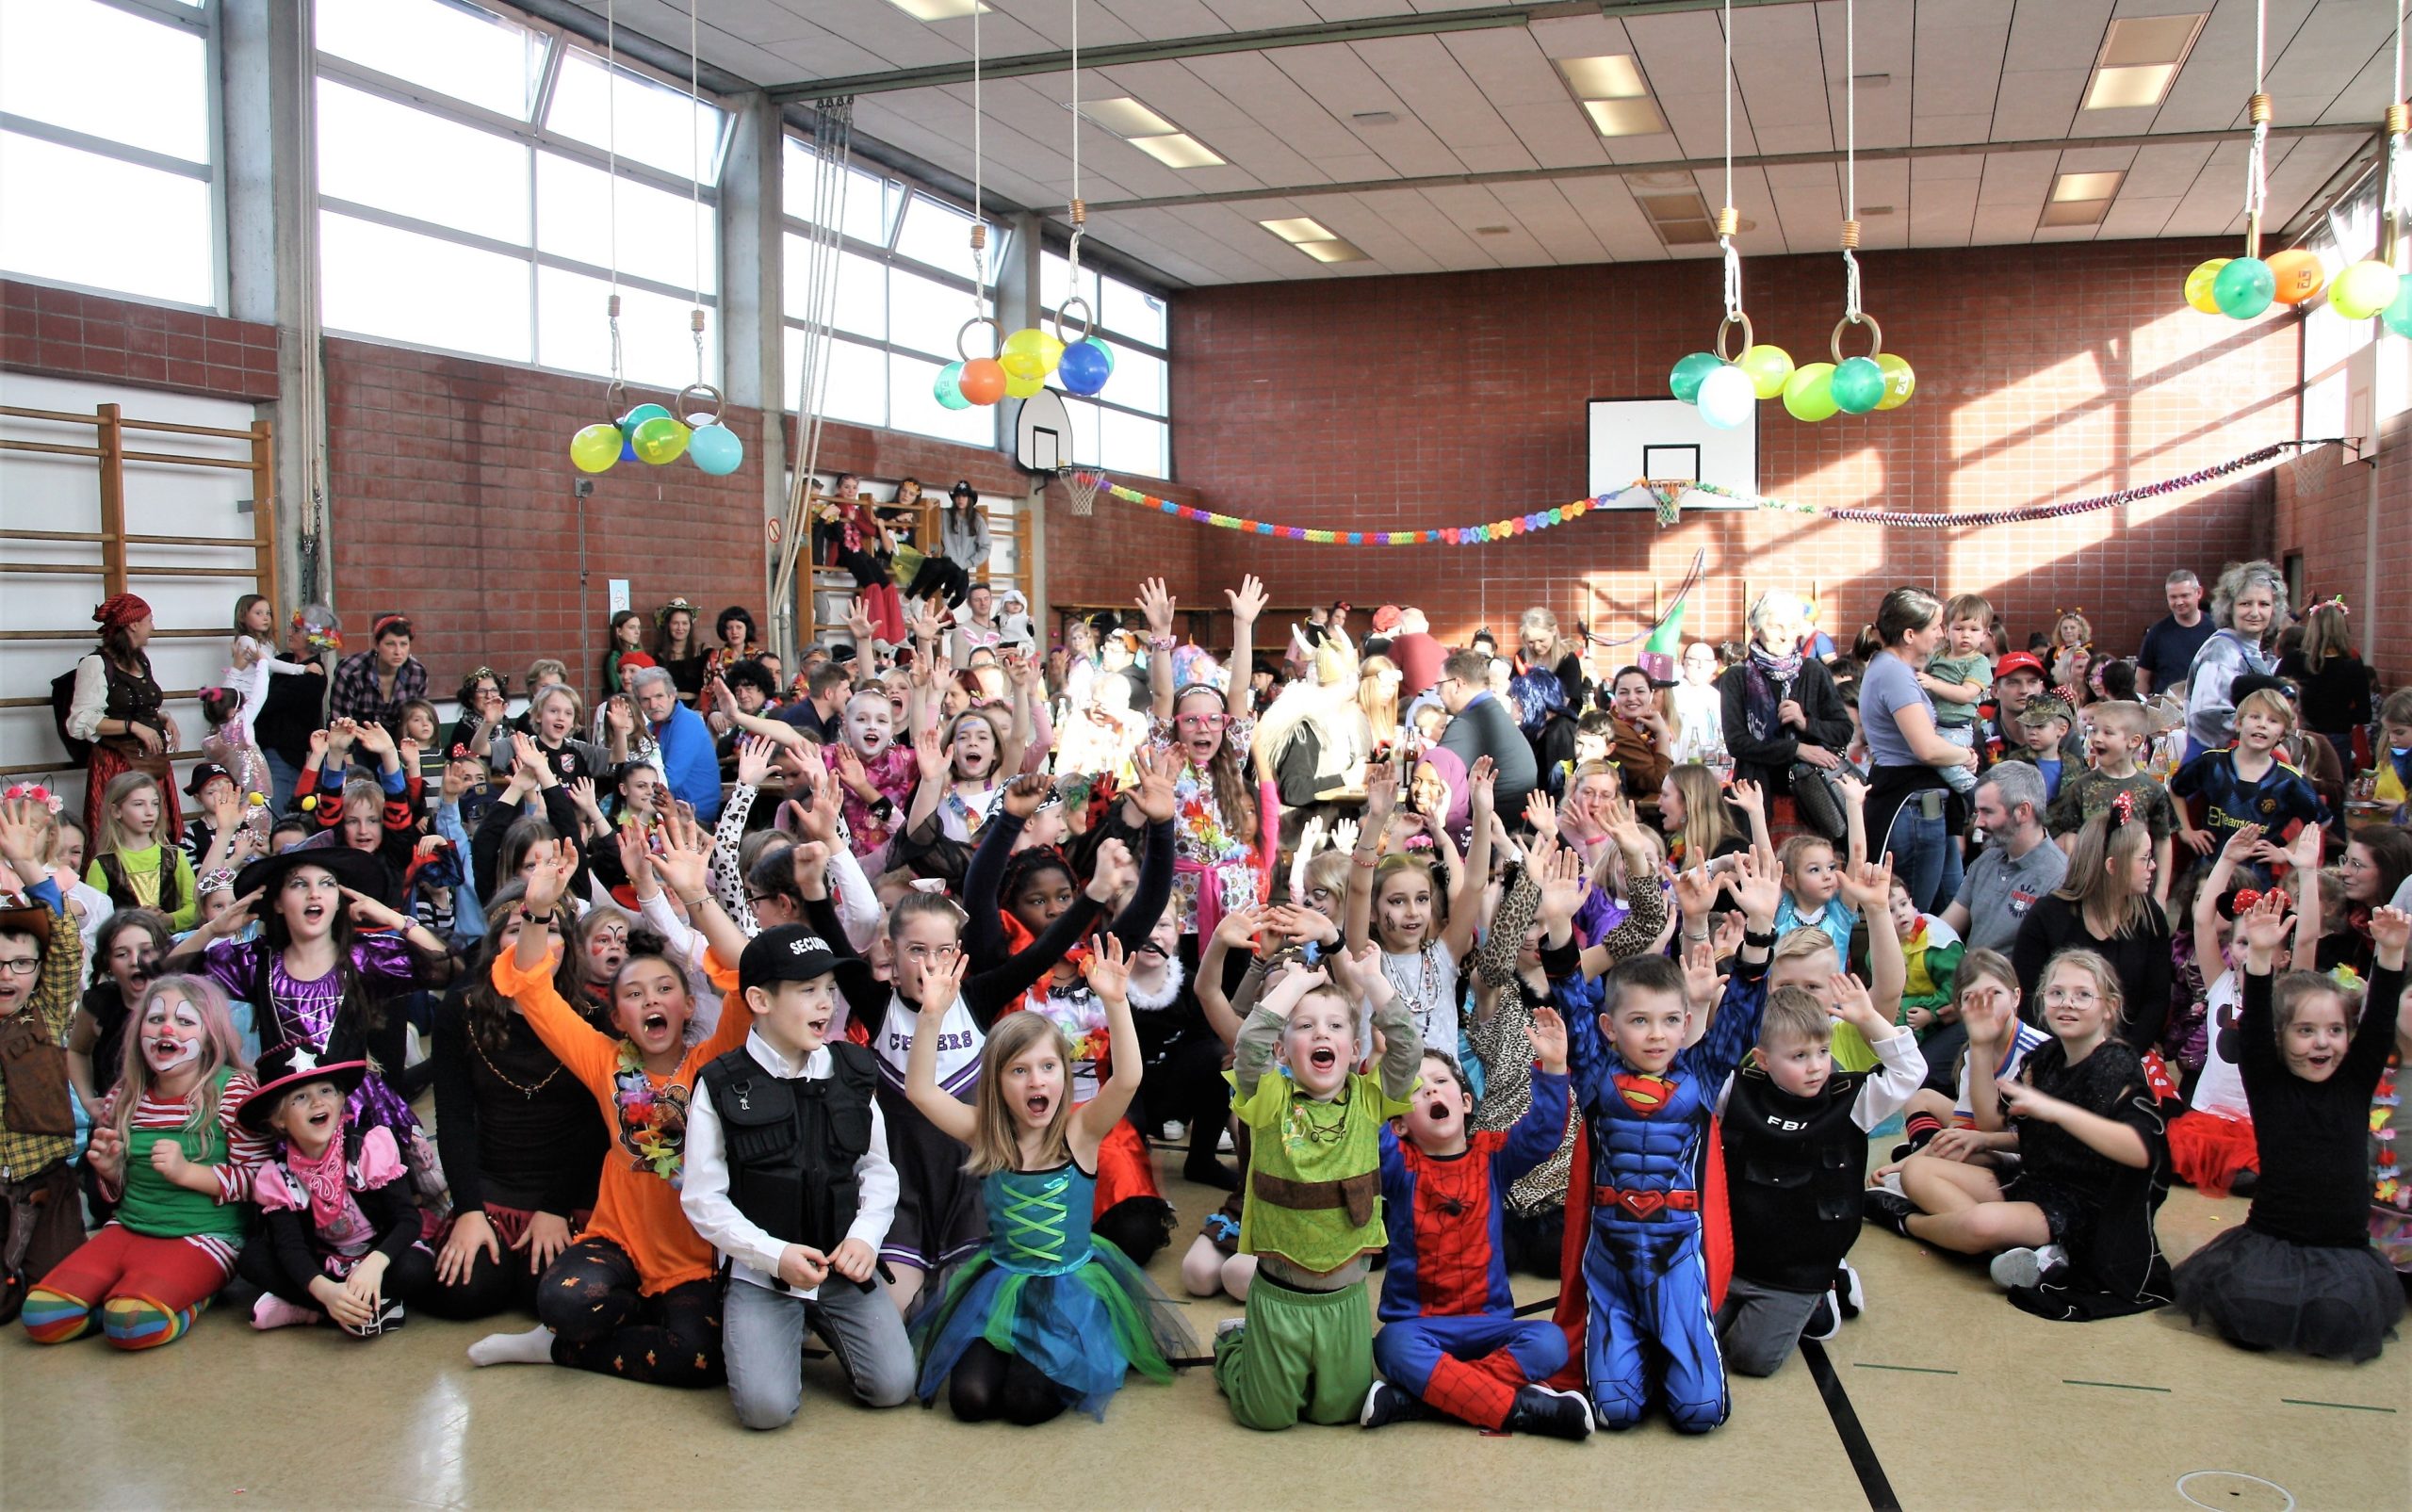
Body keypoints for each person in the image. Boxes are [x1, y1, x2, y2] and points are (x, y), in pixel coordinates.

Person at [464, 826, 751, 1385]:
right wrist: (539, 912)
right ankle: (577, 1327)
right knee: (563, 1303)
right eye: (634, 994)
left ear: (690, 1003)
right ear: (617, 1017)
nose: (650, 1000)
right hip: (614, 1243)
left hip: (695, 1258)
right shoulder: (603, 1060)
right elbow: (531, 989)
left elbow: (746, 978)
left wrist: (696, 897)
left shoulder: (715, 1062)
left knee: (701, 1361)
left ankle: (565, 1351)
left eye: (664, 989)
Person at [905, 938, 1191, 1423]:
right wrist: (931, 1015)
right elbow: (920, 1091)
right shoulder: (986, 1134)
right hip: (1001, 1286)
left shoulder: (1080, 1132)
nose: (1036, 1082)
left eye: (1047, 1067)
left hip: (1069, 1289)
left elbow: (1127, 1079)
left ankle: (1055, 1360)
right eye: (1019, 1071)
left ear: (1065, 1072)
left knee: (1025, 1404)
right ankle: (1016, 1353)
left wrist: (1116, 1003)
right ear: (995, 1082)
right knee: (970, 1401)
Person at [1550, 849, 1778, 1434]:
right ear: (1611, 1027)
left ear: (1686, 1020)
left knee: (1701, 1413)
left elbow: (1744, 1014)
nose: (1657, 1034)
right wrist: (1556, 926)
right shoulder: (1597, 1072)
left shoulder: (1700, 1075)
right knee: (1617, 1410)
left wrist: (1759, 930)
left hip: (1679, 1251)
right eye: (1639, 1021)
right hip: (1611, 1255)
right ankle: (1641, 1350)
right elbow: (1573, 999)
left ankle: (1672, 1348)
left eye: (1671, 1020)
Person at [680, 924, 917, 1429]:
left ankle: (818, 1324)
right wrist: (774, 1256)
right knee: (766, 1412)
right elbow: (703, 1199)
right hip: (762, 1274)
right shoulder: (721, 1083)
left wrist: (865, 1238)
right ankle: (772, 1331)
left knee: (893, 1387)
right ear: (760, 1000)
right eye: (807, 991)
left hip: (841, 1265)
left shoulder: (853, 1072)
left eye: (829, 990)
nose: (825, 1004)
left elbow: (877, 1170)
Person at [1866, 948, 2176, 1322]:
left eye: (2082, 995)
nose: (2068, 1004)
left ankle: (1905, 1219)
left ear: (2109, 1007)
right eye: (2057, 993)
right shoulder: (2044, 1059)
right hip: (2036, 1183)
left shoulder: (2119, 1064)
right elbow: (1998, 1126)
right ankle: (2013, 1249)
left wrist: (2056, 1110)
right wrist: (1979, 1049)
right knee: (1917, 1172)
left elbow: (2141, 1152)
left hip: (2086, 1208)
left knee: (1981, 1223)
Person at [2173, 896, 2406, 1358]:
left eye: (2335, 1031)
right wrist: (2259, 956)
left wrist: (2391, 955)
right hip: (2273, 1241)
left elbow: (2379, 1023)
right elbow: (2255, 1025)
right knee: (2250, 1315)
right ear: (2282, 1038)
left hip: (2343, 1248)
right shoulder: (2268, 1083)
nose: (2322, 1043)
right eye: (2305, 1031)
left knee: (2339, 1321)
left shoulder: (2354, 1083)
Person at [1214, 951, 1422, 1431]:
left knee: (1339, 1413)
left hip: (1345, 1299)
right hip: (1279, 1296)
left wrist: (1373, 982)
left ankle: (1283, 1359)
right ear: (1284, 1053)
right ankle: (1235, 1347)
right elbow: (1249, 1046)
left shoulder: (1371, 1101)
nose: (1322, 1034)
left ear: (1355, 1050)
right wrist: (1293, 984)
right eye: (1305, 1027)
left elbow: (1409, 1046)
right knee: (1265, 1417)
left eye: (1334, 1027)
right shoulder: (1268, 1101)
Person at [1359, 1030, 1595, 1439]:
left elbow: (1541, 1133)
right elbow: (1369, 1133)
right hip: (1419, 1326)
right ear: (1398, 1124)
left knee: (1550, 1342)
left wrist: (1554, 1067)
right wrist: (1378, 1064)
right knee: (1389, 1346)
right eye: (1417, 1089)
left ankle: (1423, 1397)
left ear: (1466, 1102)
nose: (1432, 1090)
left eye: (1441, 1082)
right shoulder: (1398, 1166)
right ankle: (1519, 1409)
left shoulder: (1493, 1156)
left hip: (1490, 1327)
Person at [23, 974, 267, 1349]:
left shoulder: (233, 1089)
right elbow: (116, 1190)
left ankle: (188, 1296)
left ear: (209, 1035)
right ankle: (129, 1293)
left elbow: (260, 1181)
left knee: (131, 1325)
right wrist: (109, 1171)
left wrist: (189, 1173)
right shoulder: (124, 1094)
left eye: (185, 1021)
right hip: (128, 1228)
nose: (167, 1028)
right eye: (156, 1019)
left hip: (204, 1235)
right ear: (140, 1030)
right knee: (42, 1317)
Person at [1716, 974, 1925, 1376]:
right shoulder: (1737, 1090)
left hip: (1799, 1270)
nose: (1816, 1067)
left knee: (1749, 1358)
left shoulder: (1852, 1099)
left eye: (1823, 1051)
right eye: (1799, 1056)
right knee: (1700, 1339)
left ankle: (1820, 1299)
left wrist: (1869, 1020)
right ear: (1762, 1059)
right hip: (1735, 1258)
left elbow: (1909, 1073)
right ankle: (1808, 1312)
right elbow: (1694, 1071)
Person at [235, 1039, 435, 1336]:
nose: (317, 1103)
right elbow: (291, 1248)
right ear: (279, 1119)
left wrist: (375, 1265)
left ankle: (309, 1307)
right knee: (252, 1259)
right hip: (327, 1264)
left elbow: (407, 1220)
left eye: (326, 1091)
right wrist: (325, 1290)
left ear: (342, 1100)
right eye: (300, 1098)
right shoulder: (278, 1176)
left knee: (415, 1269)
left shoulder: (370, 1147)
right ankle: (339, 1308)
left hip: (379, 1257)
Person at [0, 799, 88, 1324]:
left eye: (20, 964)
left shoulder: (48, 1009)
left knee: (61, 1298)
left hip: (46, 1180)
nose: (7, 975)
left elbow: (67, 949)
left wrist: (29, 866)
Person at [2011, 799, 2173, 1051]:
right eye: (2145, 858)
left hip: (2127, 1054)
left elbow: (2157, 1000)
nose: (2153, 866)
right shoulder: (2047, 917)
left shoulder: (2150, 918)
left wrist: (2121, 1056)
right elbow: (2028, 999)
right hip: (2052, 1052)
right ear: (2112, 866)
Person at [1859, 588, 1980, 916]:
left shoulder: (1892, 668)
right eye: (1937, 626)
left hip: (1919, 800)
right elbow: (1926, 747)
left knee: (1948, 910)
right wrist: (1964, 755)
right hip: (1910, 803)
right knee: (1912, 917)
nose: (1942, 634)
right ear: (1910, 634)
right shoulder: (1894, 673)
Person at [1721, 590, 1854, 837]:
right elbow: (1737, 742)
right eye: (1776, 626)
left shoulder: (1813, 671)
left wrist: (1806, 723)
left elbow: (1843, 730)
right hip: (1759, 795)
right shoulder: (1736, 676)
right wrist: (1795, 749)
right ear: (1756, 629)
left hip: (1812, 796)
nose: (1785, 636)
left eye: (1792, 627)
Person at [65, 593, 181, 845]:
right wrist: (133, 727)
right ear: (133, 624)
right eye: (150, 620)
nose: (154, 626)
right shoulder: (96, 664)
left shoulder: (141, 660)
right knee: (122, 835)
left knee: (157, 833)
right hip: (118, 763)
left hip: (152, 760)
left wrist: (162, 719)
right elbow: (81, 721)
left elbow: (134, 706)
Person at [2184, 560, 2287, 757]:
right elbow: (2208, 718)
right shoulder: (2221, 651)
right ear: (2230, 608)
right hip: (2216, 768)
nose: (2255, 612)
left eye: (2264, 604)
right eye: (2245, 603)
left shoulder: (2248, 648)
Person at [2276, 595, 2374, 776]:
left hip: (2299, 737)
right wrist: (2340, 715)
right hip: (2337, 739)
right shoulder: (2351, 665)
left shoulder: (2293, 660)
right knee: (2333, 794)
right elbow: (2364, 713)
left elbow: (2273, 696)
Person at [1434, 648, 1538, 819]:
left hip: (1493, 833)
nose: (1437, 693)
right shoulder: (1493, 713)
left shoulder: (1468, 724)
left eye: (1440, 685)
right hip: (1513, 829)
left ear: (1458, 684)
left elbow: (1431, 782)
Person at [1918, 593, 1995, 797]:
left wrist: (1933, 683)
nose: (1966, 635)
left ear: (1985, 634)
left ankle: (1977, 796)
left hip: (1956, 728)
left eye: (1974, 630)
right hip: (1932, 725)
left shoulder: (1978, 663)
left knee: (1947, 765)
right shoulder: (1937, 656)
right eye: (1959, 629)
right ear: (1946, 630)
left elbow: (1966, 694)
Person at [628, 666, 723, 821]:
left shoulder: (687, 722)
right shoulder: (653, 726)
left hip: (693, 815)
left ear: (672, 695)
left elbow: (671, 780)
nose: (653, 705)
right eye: (646, 699)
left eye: (659, 696)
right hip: (669, 808)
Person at [329, 614, 427, 739]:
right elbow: (340, 726)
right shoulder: (351, 671)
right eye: (390, 644)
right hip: (356, 739)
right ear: (377, 644)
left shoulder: (417, 672)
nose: (398, 651)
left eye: (403, 644)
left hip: (399, 741)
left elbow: (420, 718)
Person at [906, 480, 988, 609]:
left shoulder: (977, 520)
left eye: (964, 496)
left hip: (964, 564)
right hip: (947, 561)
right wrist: (927, 509)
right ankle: (924, 601)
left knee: (961, 595)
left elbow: (985, 547)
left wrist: (969, 562)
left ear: (969, 499)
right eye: (958, 496)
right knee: (943, 576)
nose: (960, 499)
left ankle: (945, 610)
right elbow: (930, 532)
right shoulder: (945, 515)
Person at [2136, 569, 2216, 699]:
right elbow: (2142, 678)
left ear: (2199, 593)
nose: (2179, 602)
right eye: (2173, 597)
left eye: (2185, 595)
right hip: (2168, 711)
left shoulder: (2217, 629)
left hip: (2208, 708)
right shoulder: (2156, 634)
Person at [1668, 642, 1726, 766]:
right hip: (1680, 766)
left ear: (1714, 665)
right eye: (1693, 659)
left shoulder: (1716, 696)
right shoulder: (1672, 694)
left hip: (1711, 765)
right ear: (1682, 662)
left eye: (1706, 661)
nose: (1700, 665)